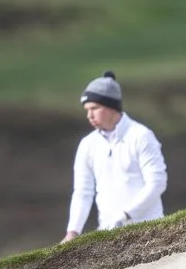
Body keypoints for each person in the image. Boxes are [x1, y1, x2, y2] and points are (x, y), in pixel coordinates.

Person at [63, 71, 168, 242]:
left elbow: (157, 184)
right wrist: (73, 232)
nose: (89, 115)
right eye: (87, 110)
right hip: (108, 233)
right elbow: (83, 192)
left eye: (94, 108)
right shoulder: (88, 144)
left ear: (111, 107)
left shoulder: (141, 136)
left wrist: (126, 214)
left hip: (149, 230)